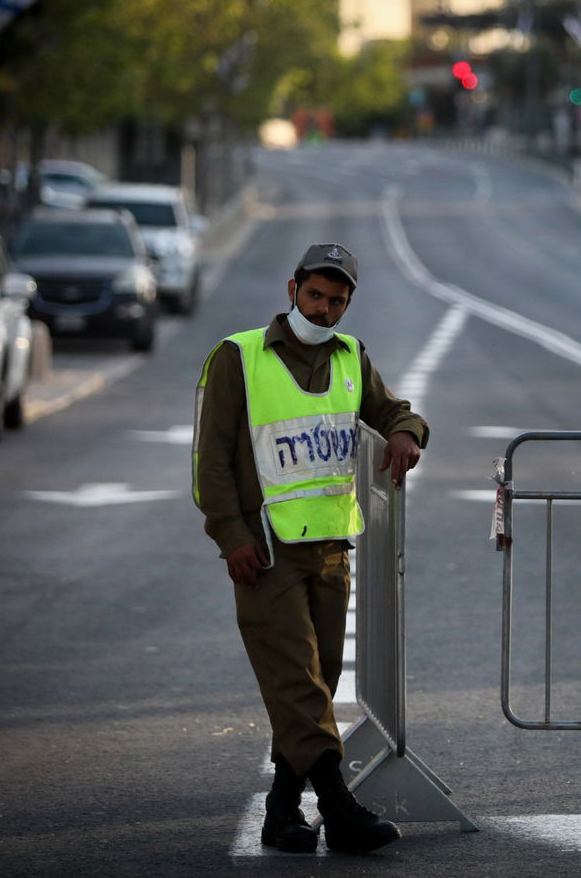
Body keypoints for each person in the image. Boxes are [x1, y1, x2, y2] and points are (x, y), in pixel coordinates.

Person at [193, 243, 428, 854]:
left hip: (330, 549)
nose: (324, 310)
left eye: (337, 301)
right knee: (298, 681)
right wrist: (231, 537)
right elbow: (209, 461)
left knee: (316, 683)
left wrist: (406, 433)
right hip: (264, 553)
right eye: (315, 295)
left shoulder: (351, 357)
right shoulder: (238, 357)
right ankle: (338, 806)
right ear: (291, 288)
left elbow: (394, 410)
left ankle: (279, 813)